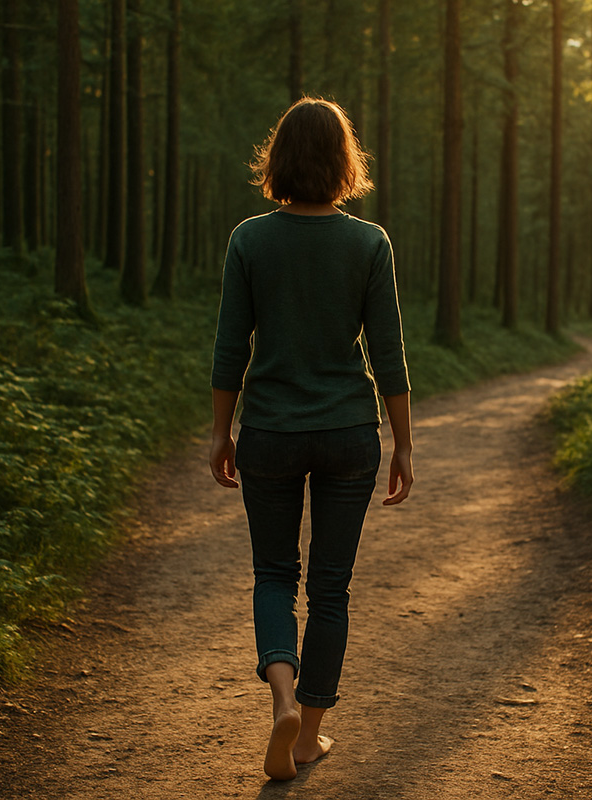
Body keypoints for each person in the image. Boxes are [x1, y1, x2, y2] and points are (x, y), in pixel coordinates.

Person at [208, 97, 414, 782]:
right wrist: (405, 444)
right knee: (330, 588)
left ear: (279, 159)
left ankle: (283, 701)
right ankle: (306, 739)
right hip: (349, 433)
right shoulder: (369, 243)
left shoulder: (249, 240)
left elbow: (229, 345)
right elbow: (389, 352)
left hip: (268, 430)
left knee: (273, 574)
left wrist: (219, 431)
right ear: (343, 162)